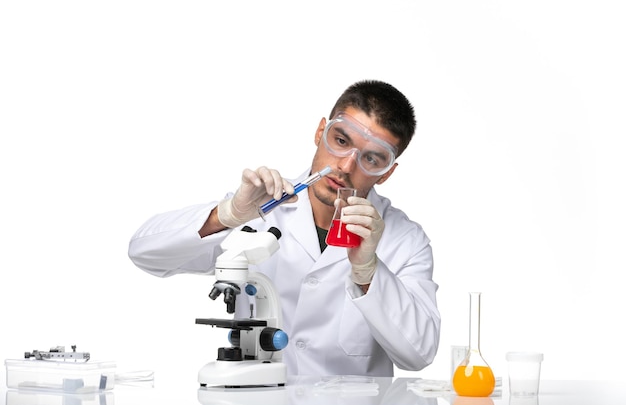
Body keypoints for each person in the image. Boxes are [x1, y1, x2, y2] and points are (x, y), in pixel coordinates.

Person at [128, 80, 440, 377]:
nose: (345, 166)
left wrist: (369, 273)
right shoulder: (262, 205)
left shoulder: (404, 240)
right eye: (341, 141)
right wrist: (227, 215)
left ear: (386, 173)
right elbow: (144, 254)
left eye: (372, 158)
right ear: (321, 132)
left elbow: (419, 354)